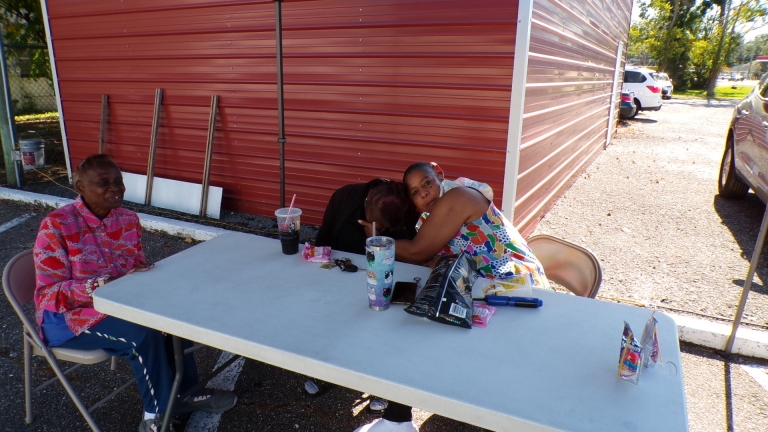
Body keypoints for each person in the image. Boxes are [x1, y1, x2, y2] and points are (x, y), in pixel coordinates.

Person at [33, 154, 237, 432]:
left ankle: (186, 394)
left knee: (173, 317)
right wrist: (103, 284)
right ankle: (156, 415)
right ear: (80, 186)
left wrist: (144, 279)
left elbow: (134, 268)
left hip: (121, 303)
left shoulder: (127, 219)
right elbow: (49, 294)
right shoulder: (57, 224)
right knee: (143, 334)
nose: (115, 188)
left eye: (118, 181)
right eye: (104, 183)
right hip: (70, 318)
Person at [311, 178, 418, 432]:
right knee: (341, 321)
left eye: (387, 226)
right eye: (377, 221)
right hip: (343, 281)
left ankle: (384, 384)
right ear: (367, 201)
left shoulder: (407, 207)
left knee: (390, 332)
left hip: (389, 283)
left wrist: (379, 238)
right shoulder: (345, 197)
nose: (381, 227)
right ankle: (331, 367)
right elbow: (323, 240)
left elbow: (416, 254)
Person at [395, 161, 549, 286]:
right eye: (415, 193)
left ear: (440, 175)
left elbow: (416, 252)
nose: (423, 193)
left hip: (521, 282)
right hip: (491, 287)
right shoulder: (430, 220)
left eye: (427, 183)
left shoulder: (458, 196)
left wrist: (380, 242)